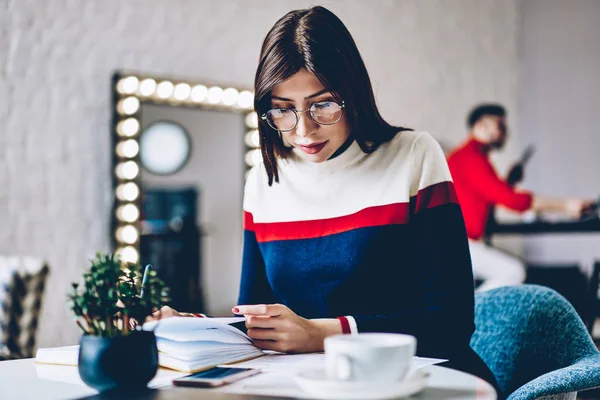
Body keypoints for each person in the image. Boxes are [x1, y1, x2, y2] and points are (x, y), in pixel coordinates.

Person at [155, 6, 499, 390]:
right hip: (314, 385)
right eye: (283, 110)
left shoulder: (413, 155)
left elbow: (450, 323)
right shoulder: (264, 180)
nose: (304, 129)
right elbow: (259, 318)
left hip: (418, 381)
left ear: (352, 93)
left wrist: (321, 334)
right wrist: (195, 328)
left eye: (323, 105)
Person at [447, 104, 594, 292]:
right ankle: (464, 315)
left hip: (460, 242)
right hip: (459, 243)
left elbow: (487, 197)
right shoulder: (470, 158)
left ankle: (465, 314)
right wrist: (566, 206)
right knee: (512, 272)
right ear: (481, 125)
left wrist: (508, 182)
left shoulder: (469, 157)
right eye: (499, 125)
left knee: (501, 276)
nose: (505, 131)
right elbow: (513, 201)